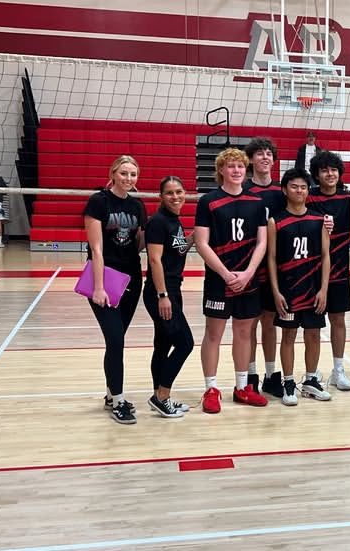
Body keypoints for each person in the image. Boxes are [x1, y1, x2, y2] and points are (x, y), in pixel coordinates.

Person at [195, 148, 268, 414]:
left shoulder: (256, 202)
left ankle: (242, 387)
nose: (237, 170)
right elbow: (201, 243)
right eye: (231, 166)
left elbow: (263, 242)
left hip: (248, 279)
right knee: (213, 334)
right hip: (218, 279)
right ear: (221, 170)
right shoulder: (209, 201)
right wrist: (225, 274)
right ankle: (211, 389)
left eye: (240, 166)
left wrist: (248, 273)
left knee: (244, 332)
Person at [83, 155, 147, 424]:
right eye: (124, 173)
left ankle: (111, 394)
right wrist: (98, 287)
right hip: (105, 278)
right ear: (113, 173)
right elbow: (96, 248)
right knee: (116, 340)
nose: (129, 179)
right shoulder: (99, 201)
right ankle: (119, 401)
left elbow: (139, 244)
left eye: (133, 174)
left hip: (131, 279)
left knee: (116, 340)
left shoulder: (138, 205)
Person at [268, 168, 332, 405]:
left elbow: (326, 256)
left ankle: (311, 381)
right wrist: (275, 292)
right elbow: (271, 259)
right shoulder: (276, 221)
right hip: (288, 290)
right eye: (294, 186)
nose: (299, 191)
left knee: (313, 335)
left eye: (303, 187)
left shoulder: (319, 220)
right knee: (288, 335)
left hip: (313, 288)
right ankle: (288, 382)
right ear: (285, 190)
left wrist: (324, 289)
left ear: (308, 191)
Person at [306, 151, 350, 391]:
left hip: (339, 270)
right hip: (310, 272)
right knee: (313, 326)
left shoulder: (348, 199)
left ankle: (338, 371)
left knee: (338, 320)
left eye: (334, 170)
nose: (330, 174)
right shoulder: (307, 197)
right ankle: (312, 372)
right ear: (317, 174)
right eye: (325, 170)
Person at [143, 176, 194, 417]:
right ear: (161, 197)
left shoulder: (175, 221)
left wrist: (195, 238)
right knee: (185, 343)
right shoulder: (158, 222)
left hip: (173, 288)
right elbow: (154, 260)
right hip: (161, 291)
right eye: (170, 193)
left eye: (179, 192)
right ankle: (161, 396)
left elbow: (178, 250)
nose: (176, 196)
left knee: (162, 345)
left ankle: (162, 397)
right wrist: (163, 295)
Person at [242, 137, 286, 398]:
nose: (265, 157)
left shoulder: (282, 192)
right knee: (249, 325)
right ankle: (250, 375)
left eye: (269, 153)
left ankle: (271, 376)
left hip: (276, 267)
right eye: (259, 153)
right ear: (251, 160)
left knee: (270, 323)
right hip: (249, 266)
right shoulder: (243, 190)